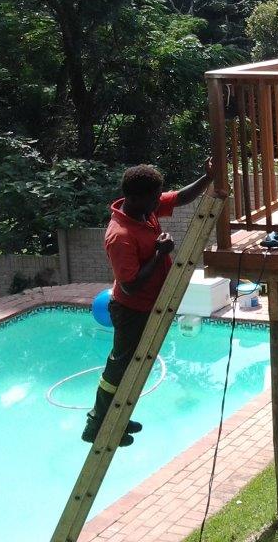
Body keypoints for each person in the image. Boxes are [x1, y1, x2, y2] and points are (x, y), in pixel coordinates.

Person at [82, 161, 219, 446]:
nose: (159, 202)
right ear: (134, 197)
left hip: (149, 306)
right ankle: (97, 423)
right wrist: (160, 254)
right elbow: (130, 286)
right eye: (154, 198)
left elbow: (180, 197)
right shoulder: (120, 235)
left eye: (158, 196)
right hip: (131, 310)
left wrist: (207, 178)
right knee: (119, 367)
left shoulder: (145, 209)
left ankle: (118, 417)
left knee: (132, 366)